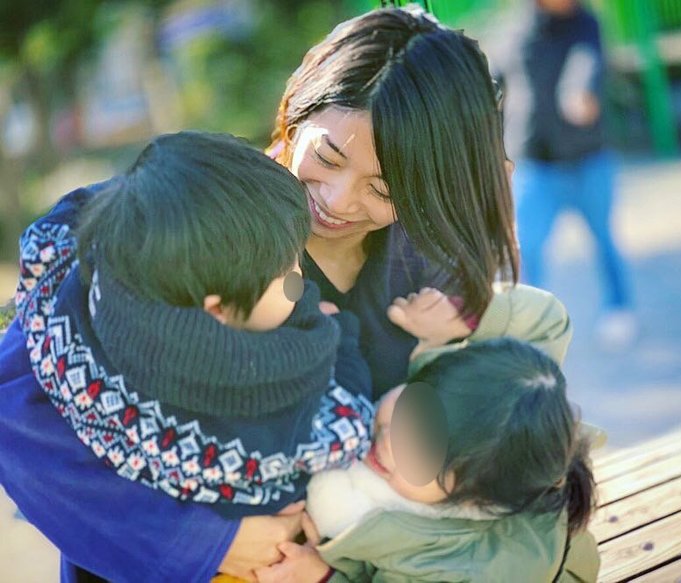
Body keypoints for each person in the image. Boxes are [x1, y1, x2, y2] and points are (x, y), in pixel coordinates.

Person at [0, 7, 572, 582]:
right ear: (299, 111)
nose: (339, 201)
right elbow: (15, 411)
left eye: (383, 188)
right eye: (326, 158)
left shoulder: (430, 272)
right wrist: (210, 543)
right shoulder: (189, 213)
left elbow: (493, 460)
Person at [13, 130, 374, 517]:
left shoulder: (69, 294)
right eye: (289, 274)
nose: (301, 278)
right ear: (218, 311)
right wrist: (339, 338)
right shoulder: (243, 427)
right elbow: (348, 430)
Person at [249, 286, 599, 583]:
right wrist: (463, 318)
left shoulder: (452, 564)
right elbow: (549, 320)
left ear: (471, 501)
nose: (388, 442)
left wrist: (324, 576)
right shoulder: (504, 403)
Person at [497, 0, 637, 350]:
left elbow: (587, 64)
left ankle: (619, 308)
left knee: (604, 239)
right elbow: (493, 82)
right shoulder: (515, 29)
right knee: (527, 248)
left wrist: (580, 95)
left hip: (588, 158)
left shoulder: (587, 24)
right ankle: (532, 325)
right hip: (535, 162)